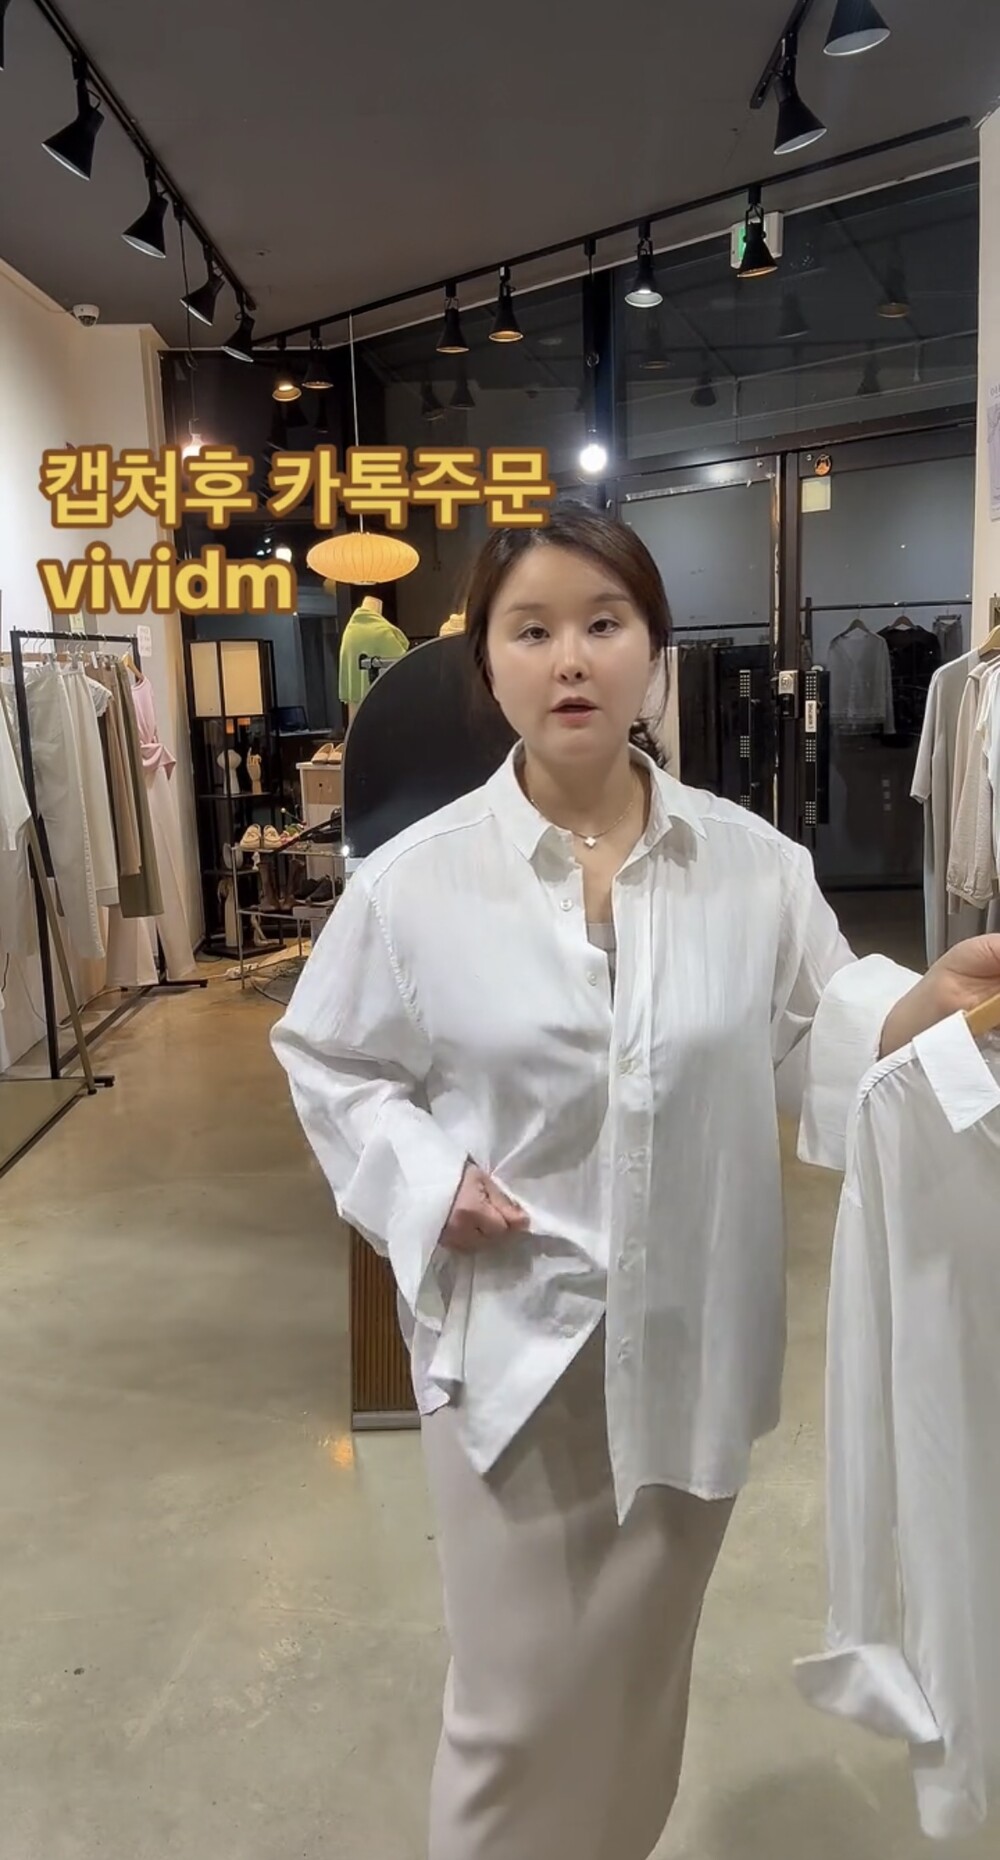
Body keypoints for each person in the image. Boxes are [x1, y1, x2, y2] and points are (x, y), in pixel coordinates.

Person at [271, 505, 1000, 1860]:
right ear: (488, 667)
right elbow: (330, 1059)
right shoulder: (416, 885)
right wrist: (425, 1180)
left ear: (652, 654)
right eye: (532, 630)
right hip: (514, 1356)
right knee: (512, 1717)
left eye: (603, 624)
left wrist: (919, 1008)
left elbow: (817, 1026)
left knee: (640, 1689)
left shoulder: (750, 865)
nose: (570, 658)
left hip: (689, 1343)